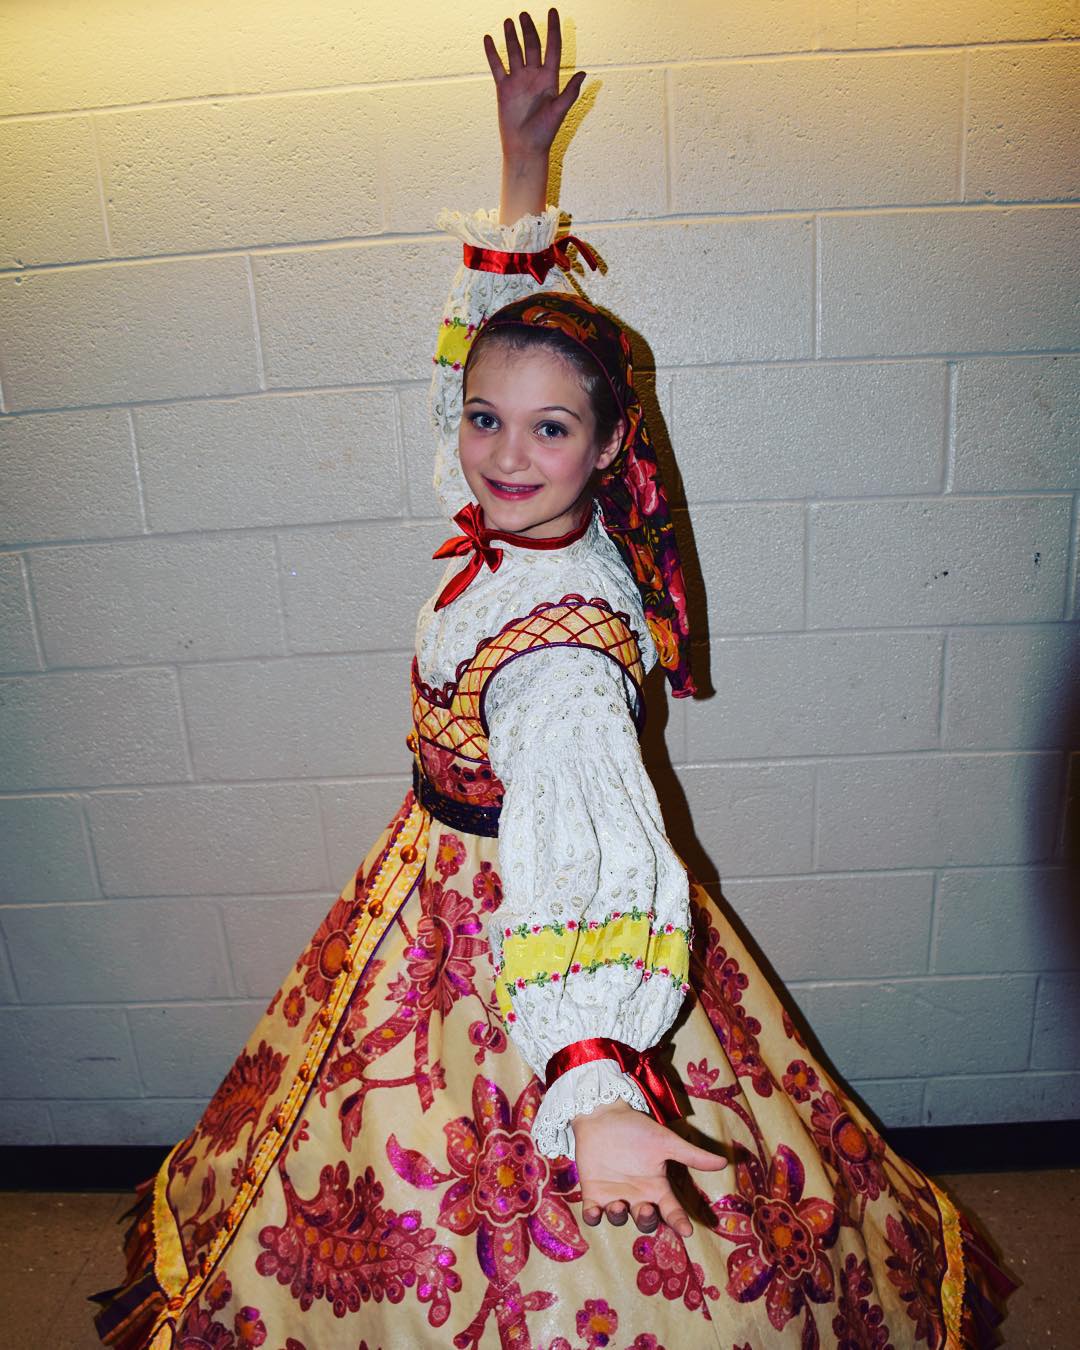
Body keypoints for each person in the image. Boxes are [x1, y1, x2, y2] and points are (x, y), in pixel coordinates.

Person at [92, 10, 1015, 1348]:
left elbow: (582, 867)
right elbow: (490, 345)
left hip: (522, 929)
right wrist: (522, 171)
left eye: (547, 429)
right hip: (433, 882)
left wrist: (592, 1074)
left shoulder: (563, 662)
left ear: (605, 449)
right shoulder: (531, 517)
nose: (500, 454)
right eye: (484, 418)